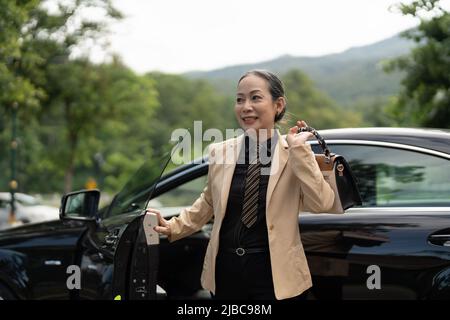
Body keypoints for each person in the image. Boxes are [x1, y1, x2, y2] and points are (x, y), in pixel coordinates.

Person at [148, 69, 337, 300]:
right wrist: (173, 227)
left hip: (275, 277)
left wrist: (300, 152)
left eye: (255, 98)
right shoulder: (221, 151)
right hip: (227, 273)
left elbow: (322, 203)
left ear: (278, 105)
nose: (245, 106)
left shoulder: (294, 152)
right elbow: (208, 201)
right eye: (240, 99)